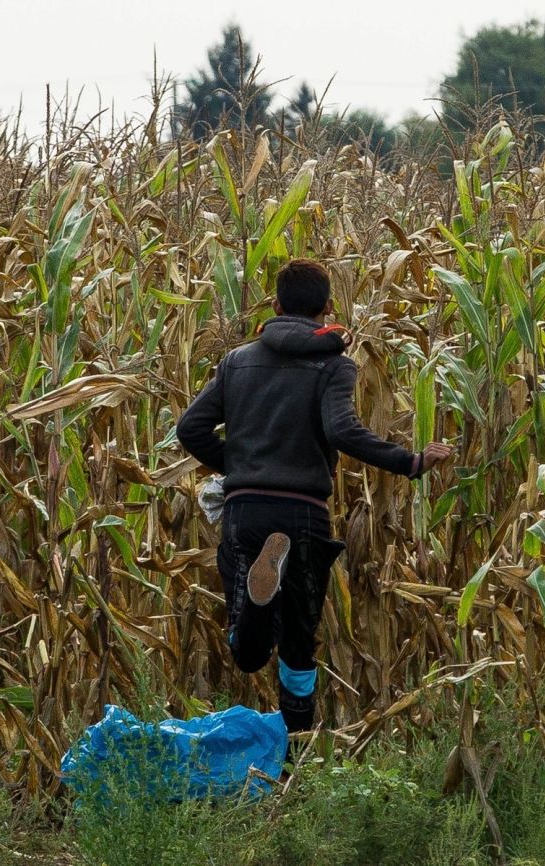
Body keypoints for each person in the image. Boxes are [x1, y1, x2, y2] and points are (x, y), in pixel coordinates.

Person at [176, 258, 452, 734]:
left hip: (247, 509)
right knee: (300, 645)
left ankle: (257, 612)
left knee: (246, 651)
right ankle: (295, 754)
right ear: (327, 308)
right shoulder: (333, 365)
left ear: (277, 305)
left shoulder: (238, 362)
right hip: (304, 514)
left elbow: (190, 428)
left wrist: (239, 466)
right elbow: (340, 430)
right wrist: (408, 462)